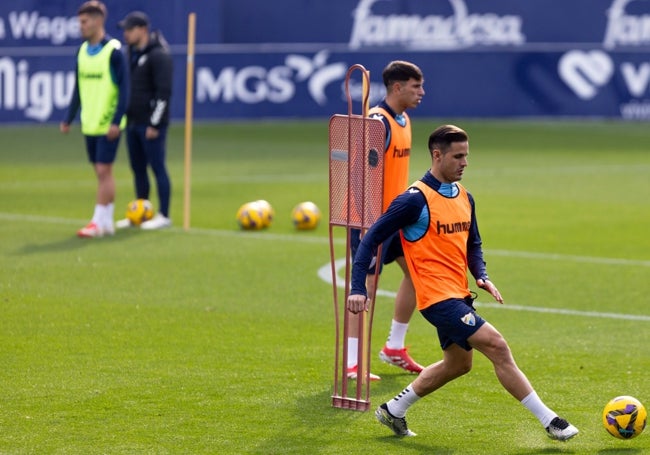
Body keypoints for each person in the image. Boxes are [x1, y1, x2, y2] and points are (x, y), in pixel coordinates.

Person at [347, 125, 579, 441]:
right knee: (497, 345)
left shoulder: (465, 197)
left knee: (457, 365)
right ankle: (551, 421)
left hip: (459, 294)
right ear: (437, 155)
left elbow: (474, 244)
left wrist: (481, 274)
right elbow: (372, 236)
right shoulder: (413, 200)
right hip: (436, 299)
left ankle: (393, 410)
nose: (465, 163)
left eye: (467, 156)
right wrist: (358, 287)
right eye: (458, 156)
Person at [346, 61, 425, 381]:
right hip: (371, 220)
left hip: (398, 217)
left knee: (419, 275)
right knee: (363, 292)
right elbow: (356, 172)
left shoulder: (403, 119)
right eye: (416, 86)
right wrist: (367, 219)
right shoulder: (378, 123)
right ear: (397, 87)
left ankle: (394, 347)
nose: (422, 92)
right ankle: (352, 363)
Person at [60, 1, 129, 238]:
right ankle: (107, 222)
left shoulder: (114, 51)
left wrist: (116, 120)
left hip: (108, 123)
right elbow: (78, 88)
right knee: (101, 171)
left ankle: (97, 222)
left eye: (84, 21)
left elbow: (125, 89)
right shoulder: (81, 51)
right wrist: (69, 117)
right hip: (89, 122)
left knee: (103, 171)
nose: (81, 26)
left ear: (98, 20)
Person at [116, 11, 174, 230]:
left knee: (157, 167)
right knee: (138, 168)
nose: (126, 34)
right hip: (132, 121)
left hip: (150, 125)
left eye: (129, 30)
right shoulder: (130, 53)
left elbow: (163, 93)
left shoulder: (159, 55)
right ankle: (141, 212)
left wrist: (155, 123)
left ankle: (164, 214)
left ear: (142, 30)